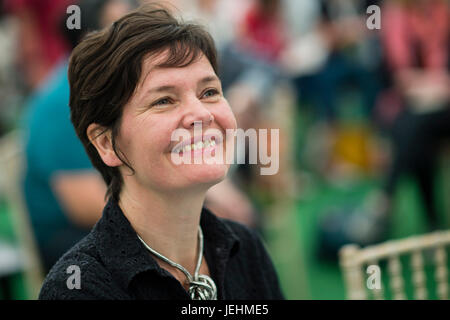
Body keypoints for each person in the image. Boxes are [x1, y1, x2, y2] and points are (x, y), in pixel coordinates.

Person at [39, 4, 284, 300]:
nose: (200, 114)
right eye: (164, 100)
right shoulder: (82, 288)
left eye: (209, 92)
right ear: (106, 142)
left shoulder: (244, 247)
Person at [21, 0, 133, 272]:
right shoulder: (60, 103)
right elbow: (86, 207)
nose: (135, 43)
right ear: (88, 41)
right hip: (67, 236)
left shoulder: (119, 90)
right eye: (120, 32)